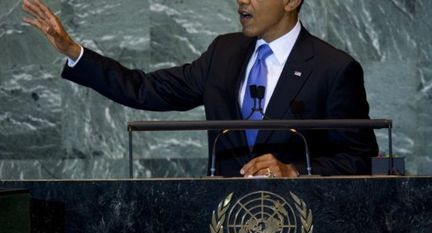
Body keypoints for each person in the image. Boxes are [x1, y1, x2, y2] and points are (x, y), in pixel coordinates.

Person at [22, 0, 378, 178]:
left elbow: (358, 160)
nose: (242, 0)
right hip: (223, 222)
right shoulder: (224, 52)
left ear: (291, 0)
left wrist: (294, 171)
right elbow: (144, 89)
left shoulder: (335, 68)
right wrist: (73, 52)